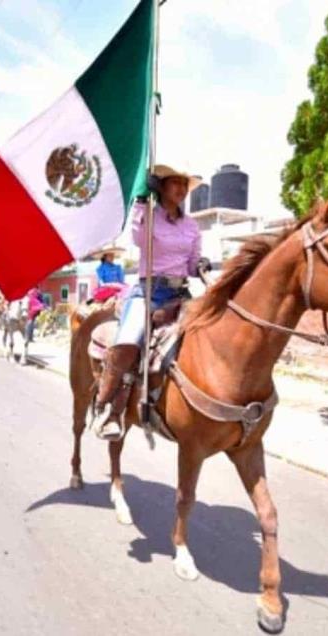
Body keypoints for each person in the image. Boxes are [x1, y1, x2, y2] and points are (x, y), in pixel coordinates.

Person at [93, 165, 207, 440]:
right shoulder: (148, 216)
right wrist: (142, 202)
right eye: (175, 183)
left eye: (184, 184)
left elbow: (192, 264)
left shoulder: (192, 226)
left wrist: (201, 265)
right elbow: (138, 239)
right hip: (148, 292)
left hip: (180, 294)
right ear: (162, 187)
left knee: (208, 335)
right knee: (128, 342)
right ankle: (107, 407)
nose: (181, 189)